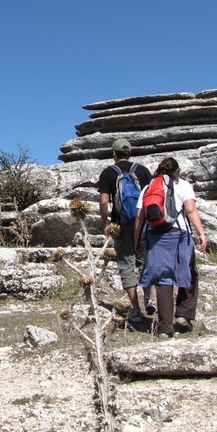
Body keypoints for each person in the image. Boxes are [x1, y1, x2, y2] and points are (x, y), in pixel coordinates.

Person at [134, 157, 208, 337]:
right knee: (189, 271)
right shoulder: (183, 185)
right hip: (179, 234)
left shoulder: (149, 187)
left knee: (163, 279)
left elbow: (140, 217)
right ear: (177, 171)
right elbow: (190, 210)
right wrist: (201, 233)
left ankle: (165, 328)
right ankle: (184, 313)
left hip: (155, 236)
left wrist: (136, 241)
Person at [97, 138, 152, 322]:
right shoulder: (142, 171)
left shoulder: (108, 173)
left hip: (120, 225)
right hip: (143, 223)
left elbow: (104, 201)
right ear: (130, 153)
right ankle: (148, 298)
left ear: (114, 154)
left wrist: (105, 224)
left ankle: (136, 310)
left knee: (126, 265)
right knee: (146, 261)